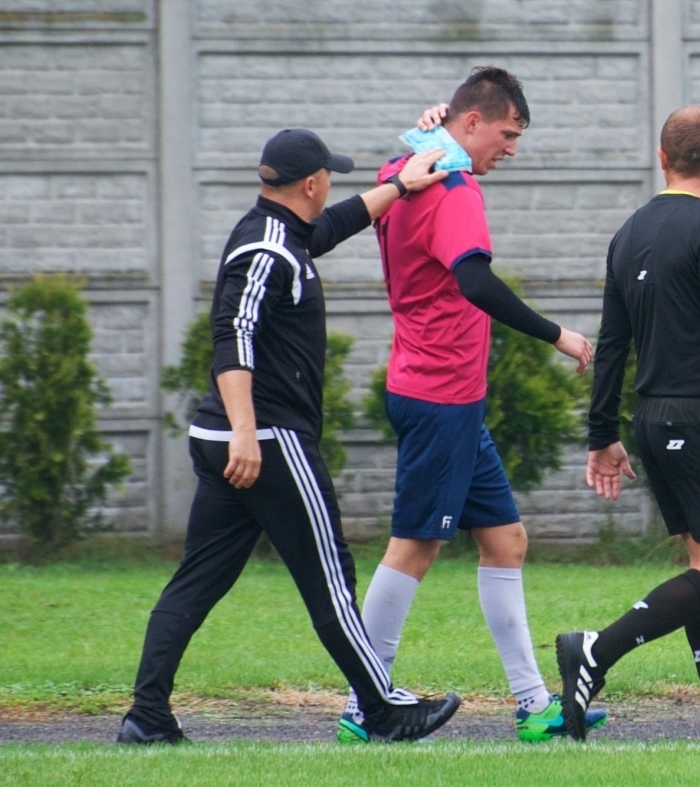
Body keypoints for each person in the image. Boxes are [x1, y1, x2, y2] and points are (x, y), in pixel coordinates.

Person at [120, 129, 460, 745]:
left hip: (234, 438)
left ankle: (147, 717)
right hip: (265, 441)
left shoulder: (279, 232)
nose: (332, 182)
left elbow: (327, 229)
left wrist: (400, 186)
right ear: (310, 183)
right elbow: (233, 340)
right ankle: (381, 708)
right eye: (330, 175)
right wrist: (247, 435)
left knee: (199, 579)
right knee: (329, 575)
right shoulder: (267, 251)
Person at [340, 66, 607, 744]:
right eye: (507, 133)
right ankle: (362, 703)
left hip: (445, 393)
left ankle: (534, 705)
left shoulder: (410, 165)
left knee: (505, 540)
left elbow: (406, 150)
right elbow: (475, 281)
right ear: (471, 123)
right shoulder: (454, 189)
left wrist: (430, 125)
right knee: (415, 547)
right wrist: (560, 336)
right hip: (439, 396)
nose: (511, 148)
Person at [556, 104, 700, 743]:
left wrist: (601, 432)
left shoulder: (629, 232)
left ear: (662, 159)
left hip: (653, 419)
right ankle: (595, 653)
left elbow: (612, 344)